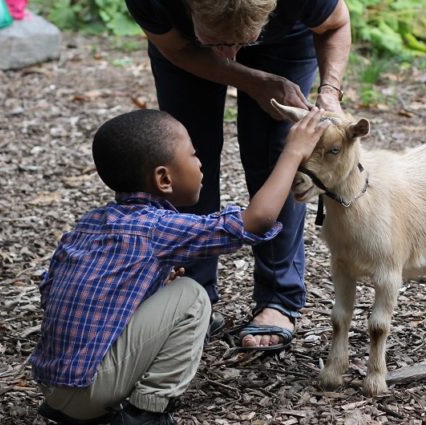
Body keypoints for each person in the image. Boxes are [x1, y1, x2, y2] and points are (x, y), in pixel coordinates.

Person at [31, 107, 328, 424]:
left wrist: (147, 289)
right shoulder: (156, 227)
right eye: (194, 155)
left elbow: (53, 294)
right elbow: (255, 221)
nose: (200, 164)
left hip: (53, 385)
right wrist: (292, 153)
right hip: (89, 389)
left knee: (170, 289)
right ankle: (146, 414)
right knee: (191, 297)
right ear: (163, 178)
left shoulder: (88, 224)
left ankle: (80, 407)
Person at [124, 0, 351, 351]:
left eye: (243, 42)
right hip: (185, 50)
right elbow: (177, 49)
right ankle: (191, 297)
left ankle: (279, 297)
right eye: (216, 42)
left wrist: (330, 93)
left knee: (279, 154)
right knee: (186, 155)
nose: (230, 54)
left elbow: (335, 24)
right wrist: (255, 82)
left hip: (284, 42)